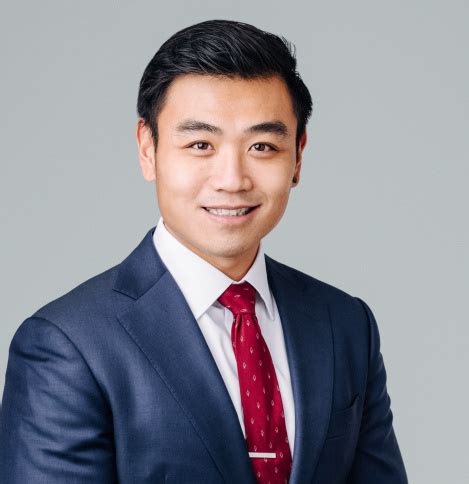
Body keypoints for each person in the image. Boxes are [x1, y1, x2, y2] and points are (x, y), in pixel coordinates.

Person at [0, 19, 408, 483]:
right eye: (200, 144)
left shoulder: (345, 324)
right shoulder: (69, 345)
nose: (232, 179)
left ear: (298, 156)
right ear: (148, 149)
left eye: (262, 146)